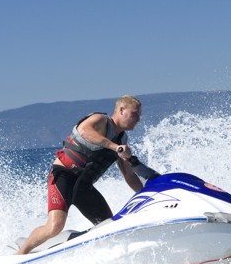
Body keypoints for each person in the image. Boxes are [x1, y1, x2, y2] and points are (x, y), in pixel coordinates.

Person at [15, 95, 160, 255]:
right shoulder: (101, 120)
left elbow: (129, 175)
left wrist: (147, 196)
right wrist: (114, 147)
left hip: (83, 187)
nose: (138, 119)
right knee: (55, 226)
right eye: (134, 114)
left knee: (109, 226)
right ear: (121, 110)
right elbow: (84, 131)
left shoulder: (122, 140)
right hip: (63, 176)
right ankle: (20, 253)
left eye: (139, 115)